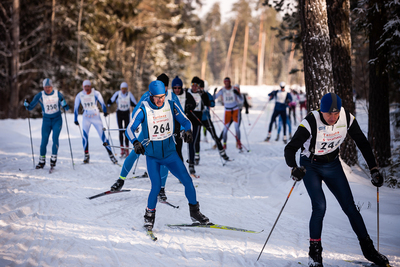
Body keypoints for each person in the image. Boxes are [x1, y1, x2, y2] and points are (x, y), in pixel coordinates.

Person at [284, 92, 390, 267]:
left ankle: (370, 251)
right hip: (310, 165)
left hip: (332, 164)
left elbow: (362, 142)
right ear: (321, 110)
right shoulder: (310, 122)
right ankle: (315, 255)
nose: (333, 117)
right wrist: (294, 169)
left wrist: (373, 169)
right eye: (329, 114)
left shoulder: (347, 118)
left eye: (336, 113)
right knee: (320, 206)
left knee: (350, 207)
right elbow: (290, 149)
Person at [126, 80, 210, 231]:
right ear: (150, 96)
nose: (160, 100)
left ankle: (195, 213)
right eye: (157, 97)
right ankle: (149, 217)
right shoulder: (144, 109)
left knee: (188, 181)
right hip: (153, 156)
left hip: (171, 154)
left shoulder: (170, 105)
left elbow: (185, 121)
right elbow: (130, 129)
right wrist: (135, 142)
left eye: (162, 96)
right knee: (156, 186)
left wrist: (187, 131)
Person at [110, 74, 183, 202]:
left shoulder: (172, 97)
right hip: (147, 133)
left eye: (164, 87)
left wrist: (182, 130)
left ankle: (161, 189)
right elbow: (136, 111)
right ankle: (121, 180)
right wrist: (136, 124)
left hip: (163, 133)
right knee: (134, 154)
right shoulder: (148, 95)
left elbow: (181, 115)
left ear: (166, 87)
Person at [24, 78, 70, 169]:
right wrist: (27, 105)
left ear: (52, 86)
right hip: (46, 120)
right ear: (43, 87)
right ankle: (41, 161)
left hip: (57, 119)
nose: (47, 89)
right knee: (44, 141)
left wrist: (65, 105)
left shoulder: (58, 94)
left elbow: (67, 108)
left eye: (49, 87)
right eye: (45, 87)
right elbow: (30, 107)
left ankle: (53, 160)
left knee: (55, 138)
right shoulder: (40, 95)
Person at [73, 80, 118, 164]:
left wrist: (105, 111)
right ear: (83, 87)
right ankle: (86, 155)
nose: (86, 88)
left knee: (103, 137)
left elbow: (102, 103)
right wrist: (75, 119)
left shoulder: (96, 93)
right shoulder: (80, 95)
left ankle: (111, 155)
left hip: (95, 115)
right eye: (85, 86)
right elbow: (76, 107)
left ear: (90, 86)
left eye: (88, 86)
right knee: (85, 136)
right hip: (86, 116)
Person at [199, 79, 230, 160]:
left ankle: (223, 153)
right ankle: (196, 156)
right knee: (196, 138)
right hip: (197, 119)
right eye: (199, 86)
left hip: (206, 118)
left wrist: (208, 103)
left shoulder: (207, 94)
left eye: (201, 87)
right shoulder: (195, 95)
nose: (200, 88)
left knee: (214, 136)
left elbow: (213, 104)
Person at [186, 76, 210, 173]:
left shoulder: (202, 94)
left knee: (193, 141)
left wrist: (205, 98)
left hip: (197, 121)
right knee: (188, 142)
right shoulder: (187, 93)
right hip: (188, 121)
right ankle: (190, 161)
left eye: (196, 85)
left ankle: (192, 162)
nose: (194, 87)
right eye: (193, 85)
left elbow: (208, 103)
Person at [107, 82, 137, 158]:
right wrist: (109, 102)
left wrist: (135, 106)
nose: (123, 90)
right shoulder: (118, 94)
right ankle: (122, 149)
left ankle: (126, 149)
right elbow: (111, 100)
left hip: (126, 113)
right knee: (120, 130)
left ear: (127, 89)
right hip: (119, 113)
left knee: (127, 130)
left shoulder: (129, 95)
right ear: (120, 89)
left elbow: (135, 103)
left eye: (125, 89)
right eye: (122, 89)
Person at [213, 77, 244, 150]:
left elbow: (241, 100)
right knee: (225, 128)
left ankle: (238, 143)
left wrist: (238, 95)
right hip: (227, 111)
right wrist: (214, 93)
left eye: (228, 82)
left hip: (235, 109)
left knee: (237, 128)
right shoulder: (222, 90)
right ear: (224, 83)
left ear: (230, 82)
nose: (227, 84)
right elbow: (214, 98)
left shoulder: (235, 89)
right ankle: (224, 144)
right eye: (225, 83)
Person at [171, 76, 196, 162]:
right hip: (173, 124)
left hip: (183, 123)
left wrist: (189, 107)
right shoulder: (170, 95)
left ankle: (191, 163)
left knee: (181, 147)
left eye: (179, 88)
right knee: (173, 149)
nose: (177, 90)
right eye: (175, 88)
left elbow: (194, 103)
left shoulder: (186, 94)